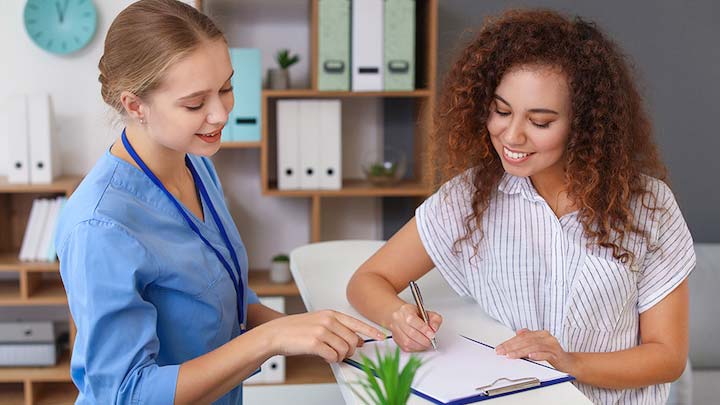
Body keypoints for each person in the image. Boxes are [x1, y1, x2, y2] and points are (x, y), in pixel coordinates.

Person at [346, 9, 695, 405]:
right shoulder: (470, 197)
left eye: (540, 122)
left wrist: (569, 362)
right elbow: (368, 279)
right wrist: (398, 315)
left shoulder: (648, 206)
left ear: (583, 125)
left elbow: (667, 357)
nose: (512, 135)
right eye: (501, 110)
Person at [55, 1, 385, 404]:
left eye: (226, 88)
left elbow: (226, 295)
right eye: (195, 103)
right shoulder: (100, 227)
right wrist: (273, 338)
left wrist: (313, 332)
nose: (220, 114)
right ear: (134, 105)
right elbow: (127, 394)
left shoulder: (196, 165)